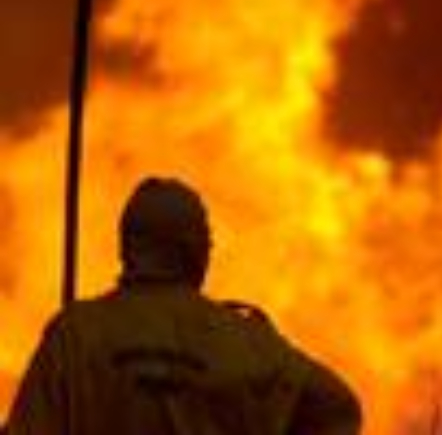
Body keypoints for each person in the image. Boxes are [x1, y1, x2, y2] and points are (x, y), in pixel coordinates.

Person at [5, 176, 362, 435]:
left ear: (127, 247)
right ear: (192, 249)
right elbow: (339, 408)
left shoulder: (76, 336)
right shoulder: (244, 341)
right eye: (207, 240)